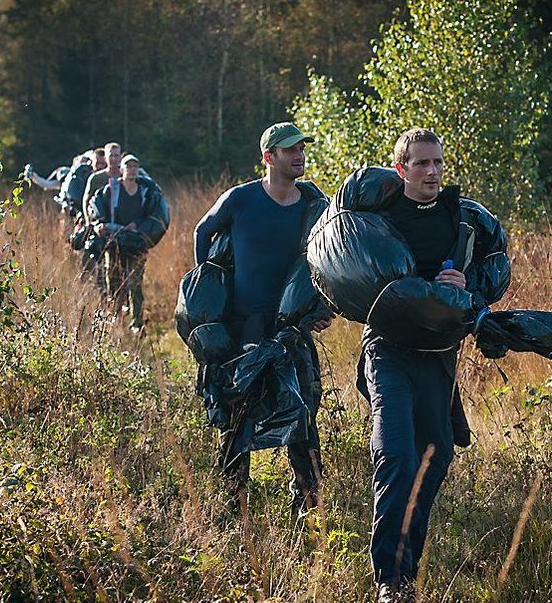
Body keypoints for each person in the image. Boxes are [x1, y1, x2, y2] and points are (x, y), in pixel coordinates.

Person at [359, 129, 508, 602]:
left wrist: (466, 284)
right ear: (400, 169)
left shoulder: (458, 220)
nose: (432, 172)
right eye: (421, 164)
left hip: (438, 356)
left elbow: (492, 273)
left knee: (433, 460)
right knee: (397, 457)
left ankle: (406, 574)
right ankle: (388, 580)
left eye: (438, 163)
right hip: (387, 351)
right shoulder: (381, 217)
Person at [192, 122, 333, 514]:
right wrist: (212, 291)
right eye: (290, 150)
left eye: (302, 148)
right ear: (269, 157)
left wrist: (320, 308)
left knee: (303, 411)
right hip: (244, 328)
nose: (299, 155)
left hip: (291, 330)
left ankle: (308, 506)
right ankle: (231, 505)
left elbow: (327, 263)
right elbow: (203, 232)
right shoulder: (241, 200)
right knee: (239, 417)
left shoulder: (314, 205)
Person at [90, 153, 170, 332]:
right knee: (114, 282)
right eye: (129, 166)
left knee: (135, 284)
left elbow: (153, 216)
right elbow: (98, 210)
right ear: (122, 170)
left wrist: (138, 225)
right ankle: (116, 318)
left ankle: (137, 323)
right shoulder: (111, 190)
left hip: (137, 244)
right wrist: (100, 225)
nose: (132, 170)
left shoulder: (145, 192)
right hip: (114, 243)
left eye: (135, 166)